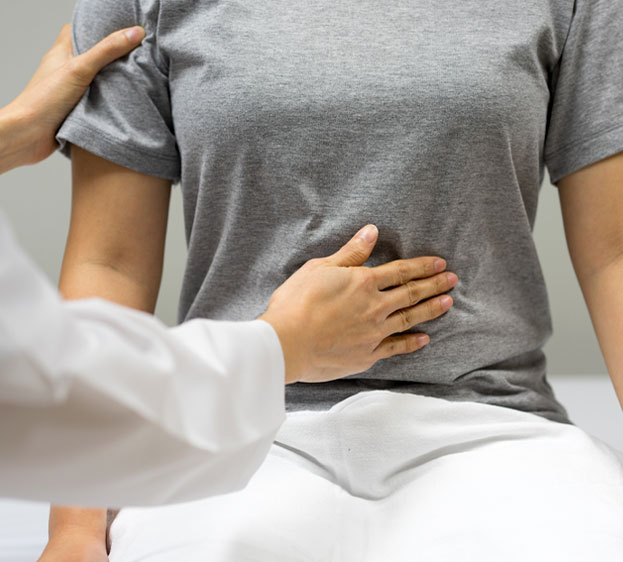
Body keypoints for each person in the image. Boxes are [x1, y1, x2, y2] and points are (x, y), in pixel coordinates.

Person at [43, 0, 623, 560]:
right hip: (234, 432)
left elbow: (614, 258)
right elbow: (109, 263)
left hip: (492, 425)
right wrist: (75, 527)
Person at [0, 25, 458, 508]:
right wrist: (289, 344)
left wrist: (10, 133)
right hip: (251, 446)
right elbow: (51, 371)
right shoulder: (141, 15)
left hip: (483, 423)